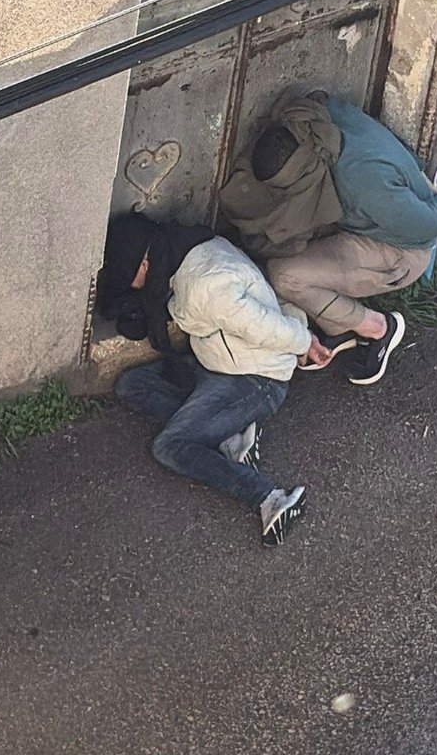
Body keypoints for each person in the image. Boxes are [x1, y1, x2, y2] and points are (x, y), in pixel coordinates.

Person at [98, 212, 330, 546]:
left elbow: (262, 325)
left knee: (170, 446)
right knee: (132, 385)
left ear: (144, 263)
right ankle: (228, 436)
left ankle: (270, 497)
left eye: (129, 276)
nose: (130, 286)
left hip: (255, 380)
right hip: (218, 363)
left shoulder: (205, 286)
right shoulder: (192, 247)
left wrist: (305, 341)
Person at [220, 93, 437, 384]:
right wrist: (427, 189)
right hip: (390, 208)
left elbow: (431, 225)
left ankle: (378, 328)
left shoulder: (361, 185)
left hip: (403, 251)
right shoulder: (316, 117)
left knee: (285, 276)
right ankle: (338, 329)